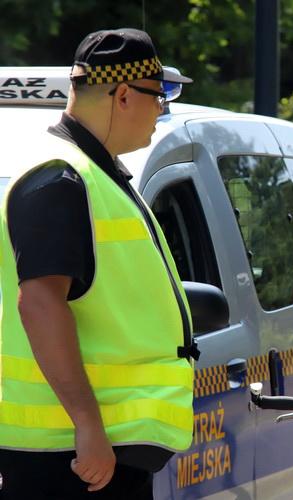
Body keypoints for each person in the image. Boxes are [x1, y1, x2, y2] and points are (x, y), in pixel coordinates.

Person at [0, 29, 197, 499]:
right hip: (69, 454)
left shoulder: (94, 175)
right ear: (123, 95)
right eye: (159, 94)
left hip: (97, 448)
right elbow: (40, 304)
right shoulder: (61, 178)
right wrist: (87, 424)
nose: (162, 109)